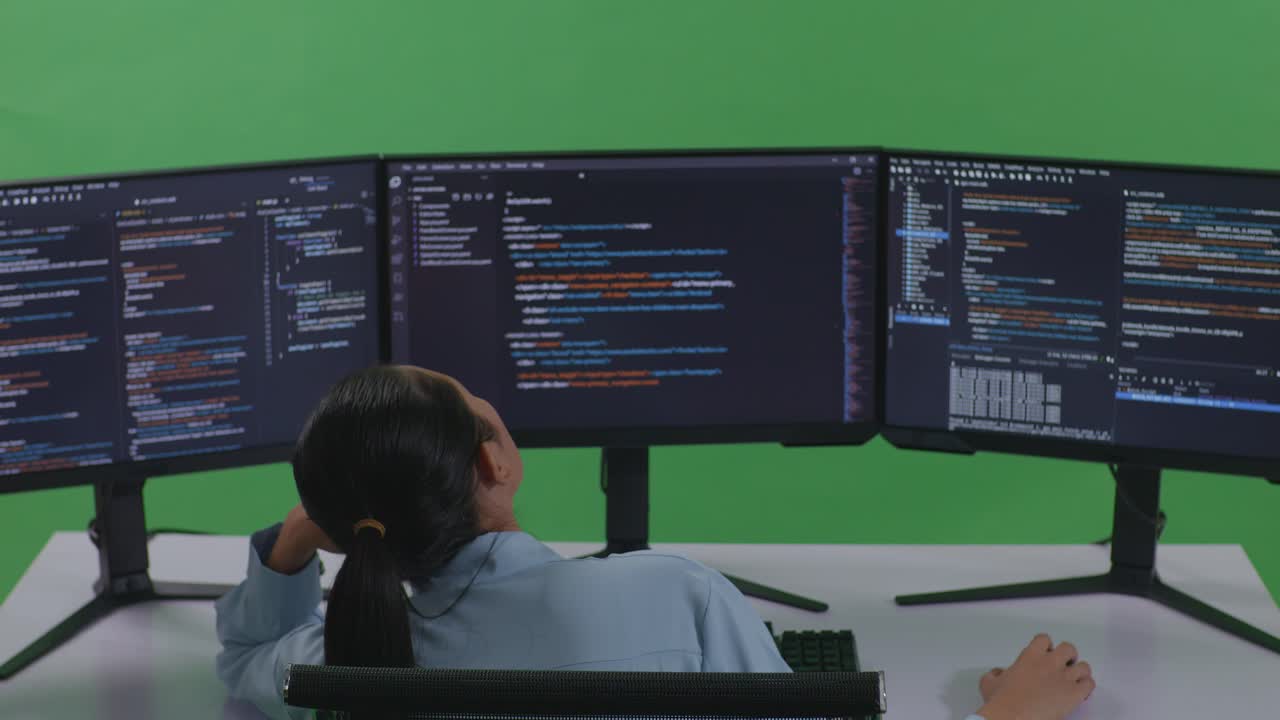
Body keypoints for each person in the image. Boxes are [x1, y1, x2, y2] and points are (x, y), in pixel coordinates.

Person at [215, 365, 1095, 720]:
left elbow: (242, 657)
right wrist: (1009, 714)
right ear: (494, 460)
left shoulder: (341, 658)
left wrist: (315, 523)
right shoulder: (675, 597)